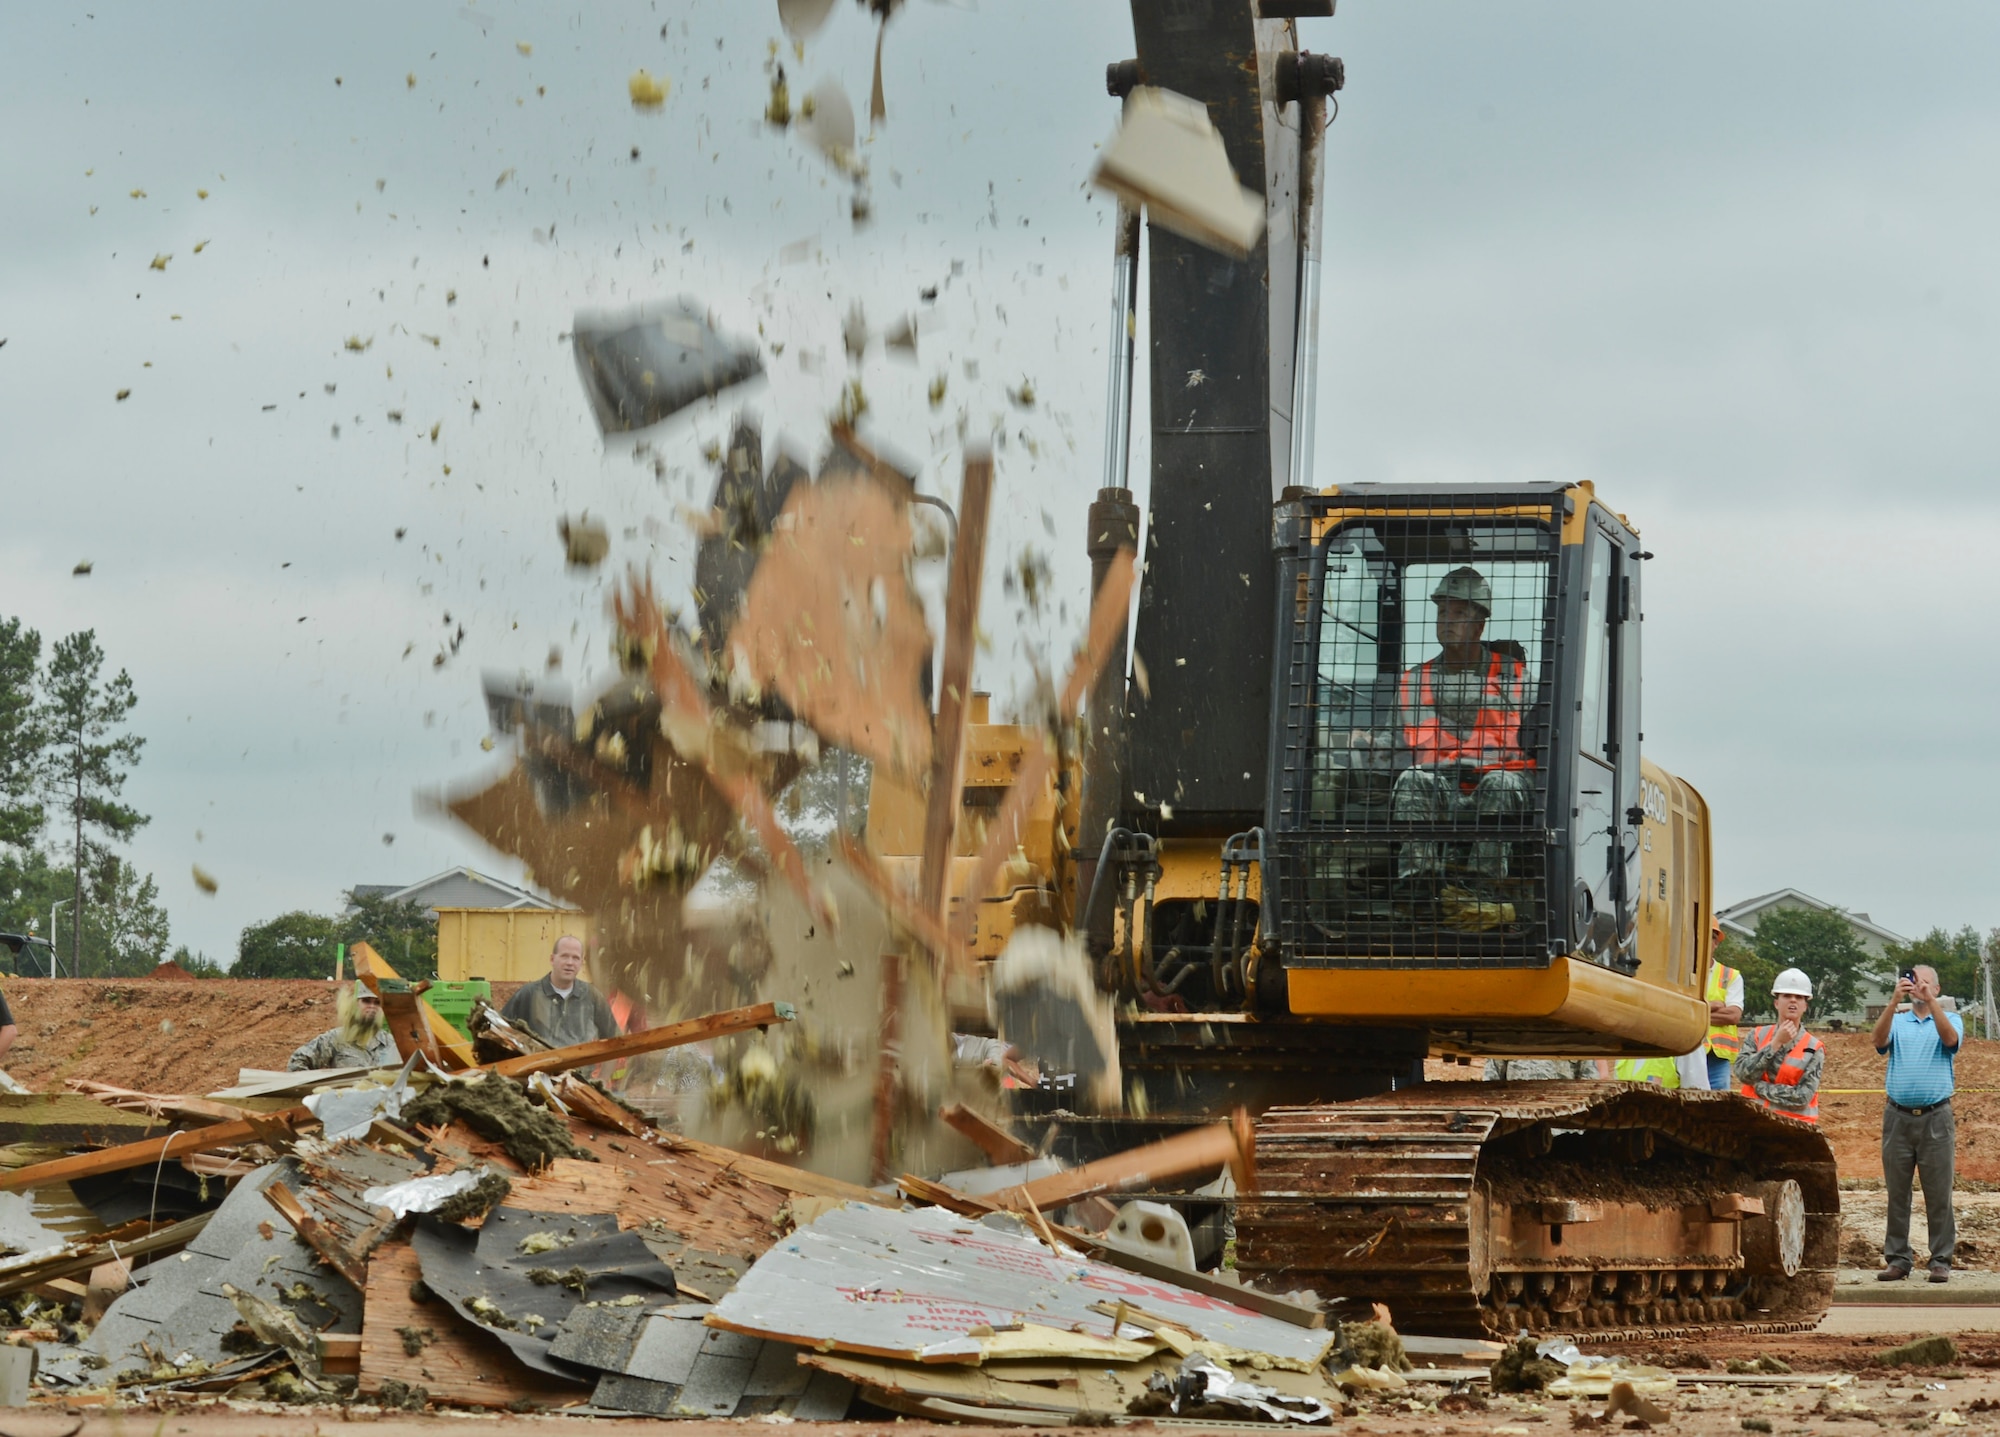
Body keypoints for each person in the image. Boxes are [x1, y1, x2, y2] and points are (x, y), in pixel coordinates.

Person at [1391, 567, 1534, 879]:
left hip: (1499, 784)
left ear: (1479, 625)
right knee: (1412, 779)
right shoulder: (1415, 681)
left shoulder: (1516, 677)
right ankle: (1418, 882)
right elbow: (1417, 747)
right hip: (1442, 783)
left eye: (1458, 613)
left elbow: (1534, 740)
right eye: (1442, 612)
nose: (1447, 621)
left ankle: (1481, 887)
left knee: (1501, 783)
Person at [1871, 963, 1962, 1284]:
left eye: (1926, 984)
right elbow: (1878, 1041)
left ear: (1936, 989)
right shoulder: (1898, 1021)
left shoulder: (1950, 1018)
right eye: (1915, 982)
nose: (1919, 987)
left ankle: (1940, 1260)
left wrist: (1931, 1005)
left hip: (1936, 1118)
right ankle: (1898, 1259)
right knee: (1897, 1193)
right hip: (1897, 1118)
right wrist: (1894, 1001)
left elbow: (1950, 1041)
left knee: (1938, 1194)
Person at [1732, 967, 1824, 1123]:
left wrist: (1758, 1087)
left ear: (1805, 1006)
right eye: (1787, 995)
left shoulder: (1813, 1048)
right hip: (1753, 1121)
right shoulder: (1757, 1035)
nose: (1793, 1000)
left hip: (1794, 1128)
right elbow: (1743, 1074)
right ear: (1776, 1003)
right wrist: (1775, 1043)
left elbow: (1802, 1096)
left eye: (1799, 997)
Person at [500, 934, 622, 1050]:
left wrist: (605, 1073)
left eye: (575, 958)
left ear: (581, 962)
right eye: (564, 956)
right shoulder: (529, 994)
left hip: (581, 1071)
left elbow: (614, 1040)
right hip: (540, 1071)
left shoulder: (592, 996)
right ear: (552, 959)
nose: (570, 963)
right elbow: (500, 1032)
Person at [288, 981, 400, 1071]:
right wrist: (318, 1091)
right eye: (366, 1001)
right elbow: (297, 1061)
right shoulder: (336, 1039)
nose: (372, 1007)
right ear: (356, 1004)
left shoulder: (390, 1043)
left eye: (377, 1003)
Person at [1704, 917, 1745, 1090]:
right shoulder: (1677, 972)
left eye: (1712, 937)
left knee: (1717, 1110)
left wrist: (1694, 1012)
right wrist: (1712, 1005)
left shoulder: (1730, 975)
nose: (1707, 941)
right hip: (1684, 1051)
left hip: (1717, 1057)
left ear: (1716, 943)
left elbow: (1733, 1015)